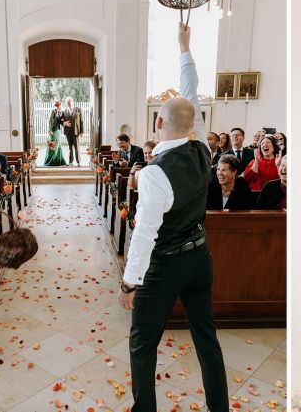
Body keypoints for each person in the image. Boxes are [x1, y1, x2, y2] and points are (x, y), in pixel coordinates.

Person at [119, 22, 228, 412]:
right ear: (193, 123)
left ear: (158, 123)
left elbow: (145, 233)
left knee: (142, 343)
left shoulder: (153, 174)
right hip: (200, 259)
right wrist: (185, 47)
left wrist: (130, 283)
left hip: (165, 265)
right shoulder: (203, 150)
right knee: (206, 340)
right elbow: (190, 91)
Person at [62, 97, 84, 166]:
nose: (68, 104)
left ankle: (78, 162)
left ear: (72, 102)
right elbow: (61, 120)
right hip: (68, 132)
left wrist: (82, 131)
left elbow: (81, 121)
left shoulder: (78, 109)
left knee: (76, 147)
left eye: (69, 102)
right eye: (67, 103)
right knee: (70, 148)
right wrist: (64, 123)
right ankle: (70, 162)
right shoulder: (64, 111)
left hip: (76, 132)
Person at [44, 101, 67, 166]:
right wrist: (50, 130)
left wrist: (64, 123)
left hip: (58, 131)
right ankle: (51, 161)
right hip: (53, 131)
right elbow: (50, 121)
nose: (60, 106)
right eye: (60, 105)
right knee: (53, 145)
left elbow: (61, 122)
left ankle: (59, 161)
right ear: (58, 105)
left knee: (58, 144)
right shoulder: (53, 111)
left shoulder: (61, 112)